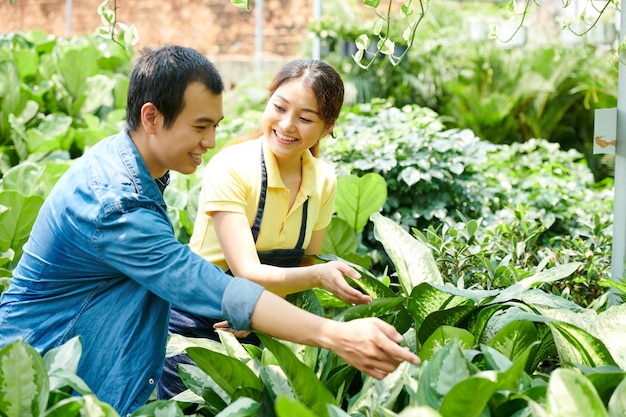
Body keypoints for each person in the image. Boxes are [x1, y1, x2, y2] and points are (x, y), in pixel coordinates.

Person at [0, 45, 420, 416]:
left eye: (216, 125)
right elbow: (206, 283)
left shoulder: (130, 165)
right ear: (152, 117)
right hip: (32, 379)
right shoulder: (117, 203)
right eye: (201, 127)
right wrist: (336, 335)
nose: (213, 140)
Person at [158, 59, 372, 399]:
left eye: (305, 118)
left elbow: (304, 264)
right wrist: (319, 278)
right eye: (280, 107)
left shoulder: (324, 180)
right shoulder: (232, 168)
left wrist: (257, 317)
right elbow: (246, 270)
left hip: (262, 325)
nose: (287, 124)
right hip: (197, 326)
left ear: (327, 127)